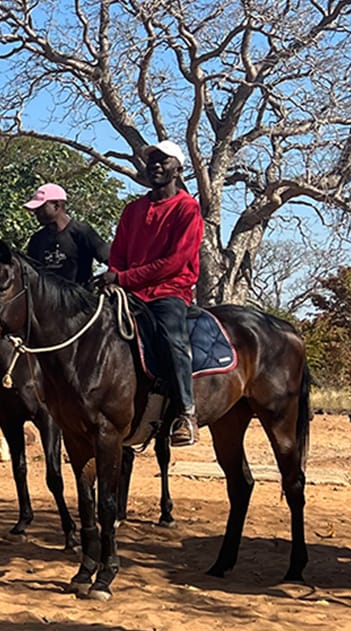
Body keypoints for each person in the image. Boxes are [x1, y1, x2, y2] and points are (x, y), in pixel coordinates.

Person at [97, 140, 204, 446]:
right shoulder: (133, 210)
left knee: (173, 338)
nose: (156, 165)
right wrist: (114, 277)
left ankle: (186, 412)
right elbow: (117, 254)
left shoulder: (187, 208)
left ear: (178, 169)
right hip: (129, 292)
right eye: (151, 160)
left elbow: (176, 261)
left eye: (164, 160)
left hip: (169, 290)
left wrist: (125, 277)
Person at [22, 182, 109, 286]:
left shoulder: (82, 232)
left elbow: (112, 260)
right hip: (47, 301)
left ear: (56, 206)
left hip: (79, 299)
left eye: (40, 207)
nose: (36, 212)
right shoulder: (37, 240)